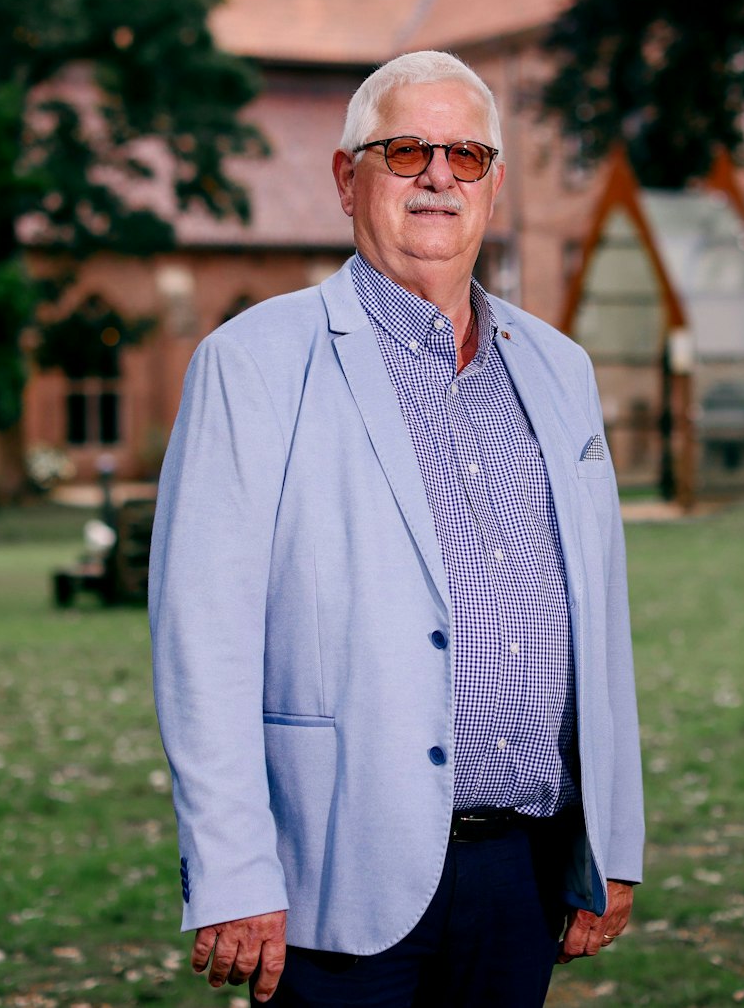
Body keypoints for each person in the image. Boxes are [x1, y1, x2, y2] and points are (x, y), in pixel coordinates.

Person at [148, 50, 643, 1007]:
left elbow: (603, 622)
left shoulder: (560, 368)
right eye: (407, 150)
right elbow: (200, 639)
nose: (438, 178)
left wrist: (609, 838)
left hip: (523, 869)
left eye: (466, 156)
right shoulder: (249, 363)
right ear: (347, 178)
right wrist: (234, 868)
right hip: (334, 867)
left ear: (495, 185)